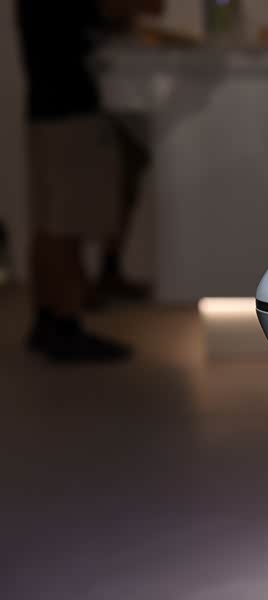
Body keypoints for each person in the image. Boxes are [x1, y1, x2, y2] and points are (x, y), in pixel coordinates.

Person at [18, 1, 161, 362]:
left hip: (49, 108)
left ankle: (48, 321)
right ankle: (66, 327)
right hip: (71, 110)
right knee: (66, 228)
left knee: (51, 224)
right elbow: (130, 9)